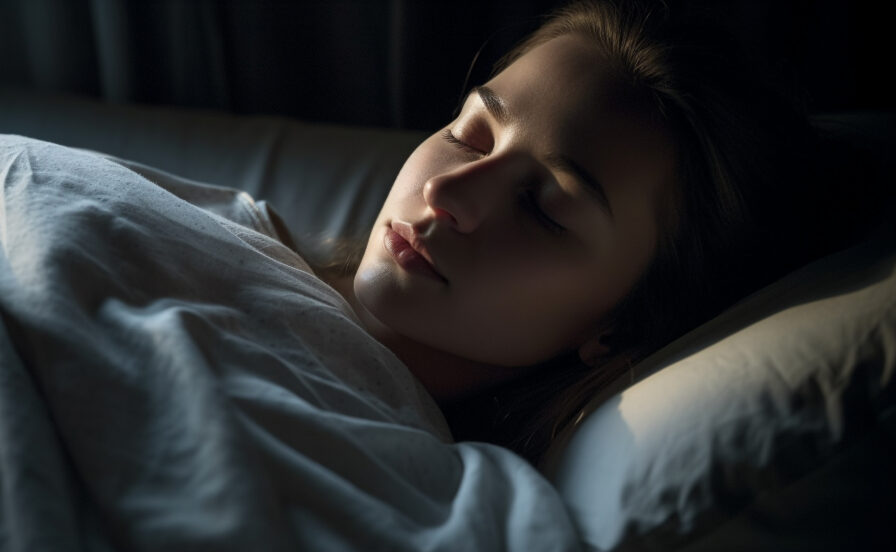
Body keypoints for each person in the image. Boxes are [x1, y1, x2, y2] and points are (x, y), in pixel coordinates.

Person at [312, 0, 864, 463]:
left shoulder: (432, 499)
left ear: (617, 329)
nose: (446, 193)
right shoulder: (240, 220)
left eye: (543, 209)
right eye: (470, 136)